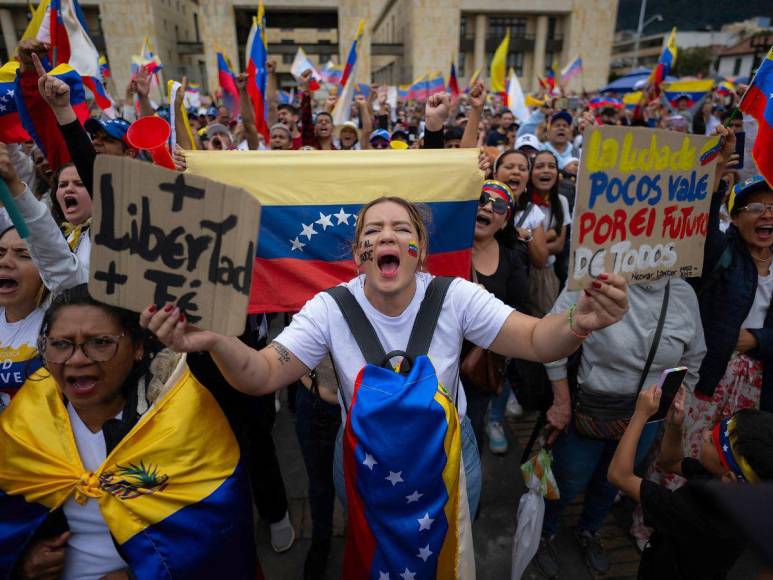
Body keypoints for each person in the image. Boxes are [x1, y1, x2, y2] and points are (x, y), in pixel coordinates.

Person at [141, 196, 630, 572]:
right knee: (374, 558)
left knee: (445, 554)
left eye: (401, 228)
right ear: (359, 255)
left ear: (419, 252)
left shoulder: (457, 297)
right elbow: (263, 373)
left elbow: (538, 340)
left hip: (451, 462)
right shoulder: (328, 308)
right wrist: (216, 341)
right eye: (372, 231)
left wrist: (578, 321)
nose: (386, 235)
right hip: (360, 462)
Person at [0, 286, 259, 579]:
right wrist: (21, 560)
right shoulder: (26, 418)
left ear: (137, 348)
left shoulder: (183, 417)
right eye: (61, 344)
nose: (77, 359)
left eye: (100, 342)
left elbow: (216, 536)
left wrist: (135, 575)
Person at [535, 278, 706, 578]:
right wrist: (561, 400)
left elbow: (694, 354)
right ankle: (543, 534)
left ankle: (589, 531)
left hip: (645, 419)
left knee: (611, 482)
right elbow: (552, 333)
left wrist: (676, 399)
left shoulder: (683, 293)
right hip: (591, 410)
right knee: (568, 480)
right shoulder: (599, 280)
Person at [608, 387, 773, 579]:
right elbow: (671, 462)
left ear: (729, 477)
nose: (705, 434)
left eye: (712, 441)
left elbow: (619, 475)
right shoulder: (734, 494)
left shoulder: (691, 513)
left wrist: (640, 415)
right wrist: (675, 426)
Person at [463, 180, 529, 455]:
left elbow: (518, 309)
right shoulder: (446, 248)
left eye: (498, 205)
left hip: (480, 362)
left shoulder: (512, 258)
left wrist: (481, 343)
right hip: (436, 355)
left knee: (470, 427)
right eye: (481, 198)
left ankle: (469, 492)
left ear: (504, 222)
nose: (488, 206)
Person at [527, 150, 571, 316]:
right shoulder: (523, 200)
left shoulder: (562, 201)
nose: (546, 170)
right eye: (539, 166)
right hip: (523, 271)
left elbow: (559, 246)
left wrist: (530, 240)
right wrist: (550, 234)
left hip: (548, 272)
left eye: (551, 166)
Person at [490, 149, 549, 271]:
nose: (516, 172)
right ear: (495, 174)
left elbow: (541, 261)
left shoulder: (533, 212)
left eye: (522, 169)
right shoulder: (482, 206)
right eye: (509, 167)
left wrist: (528, 237)